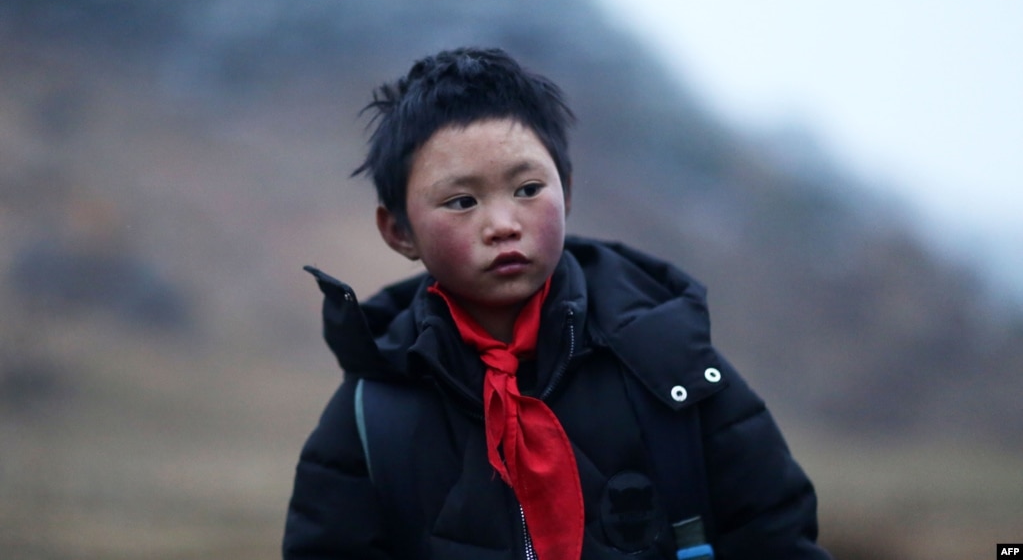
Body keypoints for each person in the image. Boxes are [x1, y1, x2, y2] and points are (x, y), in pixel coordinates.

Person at [283, 47, 831, 560]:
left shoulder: (668, 368)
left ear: (566, 188)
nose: (503, 225)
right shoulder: (374, 415)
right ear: (399, 231)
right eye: (461, 201)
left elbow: (777, 533)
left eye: (527, 189)